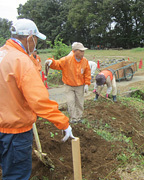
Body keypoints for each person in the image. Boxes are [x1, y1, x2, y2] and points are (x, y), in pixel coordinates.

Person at [0, 19, 74, 180]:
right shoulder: (21, 61)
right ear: (29, 38)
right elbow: (39, 101)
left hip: (3, 126)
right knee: (15, 175)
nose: (35, 45)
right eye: (36, 40)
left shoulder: (2, 54)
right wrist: (63, 122)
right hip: (15, 132)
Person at [45, 42, 91, 124]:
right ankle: (73, 118)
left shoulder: (85, 61)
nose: (83, 53)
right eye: (81, 51)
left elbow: (87, 72)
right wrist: (51, 62)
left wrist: (87, 83)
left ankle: (79, 117)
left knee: (80, 103)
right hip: (69, 86)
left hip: (80, 86)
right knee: (71, 102)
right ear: (75, 51)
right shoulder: (67, 60)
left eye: (83, 51)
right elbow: (58, 64)